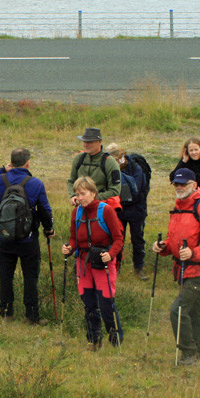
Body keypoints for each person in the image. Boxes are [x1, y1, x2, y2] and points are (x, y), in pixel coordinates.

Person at [152, 168, 200, 366]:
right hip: (182, 268)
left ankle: (188, 353)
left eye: (183, 184)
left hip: (197, 268)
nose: (179, 187)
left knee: (179, 310)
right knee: (195, 311)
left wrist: (194, 253)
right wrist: (164, 247)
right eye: (176, 184)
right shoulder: (178, 206)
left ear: (194, 184)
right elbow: (173, 238)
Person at [0, 147, 54, 324]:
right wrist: (49, 229)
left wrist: (2, 170)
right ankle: (32, 316)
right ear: (27, 163)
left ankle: (6, 313)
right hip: (28, 239)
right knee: (30, 277)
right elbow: (44, 210)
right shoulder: (36, 183)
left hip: (4, 238)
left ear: (11, 162)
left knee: (5, 275)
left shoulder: (0, 180)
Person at [62, 176, 124, 350]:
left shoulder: (106, 211)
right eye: (77, 194)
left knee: (106, 303)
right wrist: (69, 248)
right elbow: (74, 238)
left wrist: (111, 254)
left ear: (93, 193)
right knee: (88, 304)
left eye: (83, 193)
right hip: (83, 263)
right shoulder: (77, 213)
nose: (79, 198)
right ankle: (94, 340)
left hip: (103, 263)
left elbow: (119, 238)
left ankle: (115, 339)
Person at [106, 143, 149, 279]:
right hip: (120, 209)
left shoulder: (136, 168)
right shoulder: (112, 168)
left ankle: (139, 268)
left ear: (121, 157)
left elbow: (135, 190)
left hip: (136, 208)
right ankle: (116, 268)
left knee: (137, 239)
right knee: (118, 239)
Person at [67, 127, 121, 209]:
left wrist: (92, 198)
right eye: (84, 141)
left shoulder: (110, 162)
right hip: (81, 208)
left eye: (90, 142)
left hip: (102, 209)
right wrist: (73, 195)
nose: (85, 144)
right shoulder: (78, 158)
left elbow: (115, 190)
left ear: (99, 142)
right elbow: (71, 181)